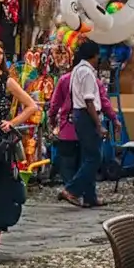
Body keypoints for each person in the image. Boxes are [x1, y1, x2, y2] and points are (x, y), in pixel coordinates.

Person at [50, 44, 112, 209]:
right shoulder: (86, 73)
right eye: (98, 56)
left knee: (87, 157)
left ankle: (90, 196)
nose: (99, 59)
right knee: (94, 157)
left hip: (79, 115)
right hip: (86, 115)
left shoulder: (77, 70)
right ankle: (72, 190)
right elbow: (89, 100)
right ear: (93, 55)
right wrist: (99, 125)